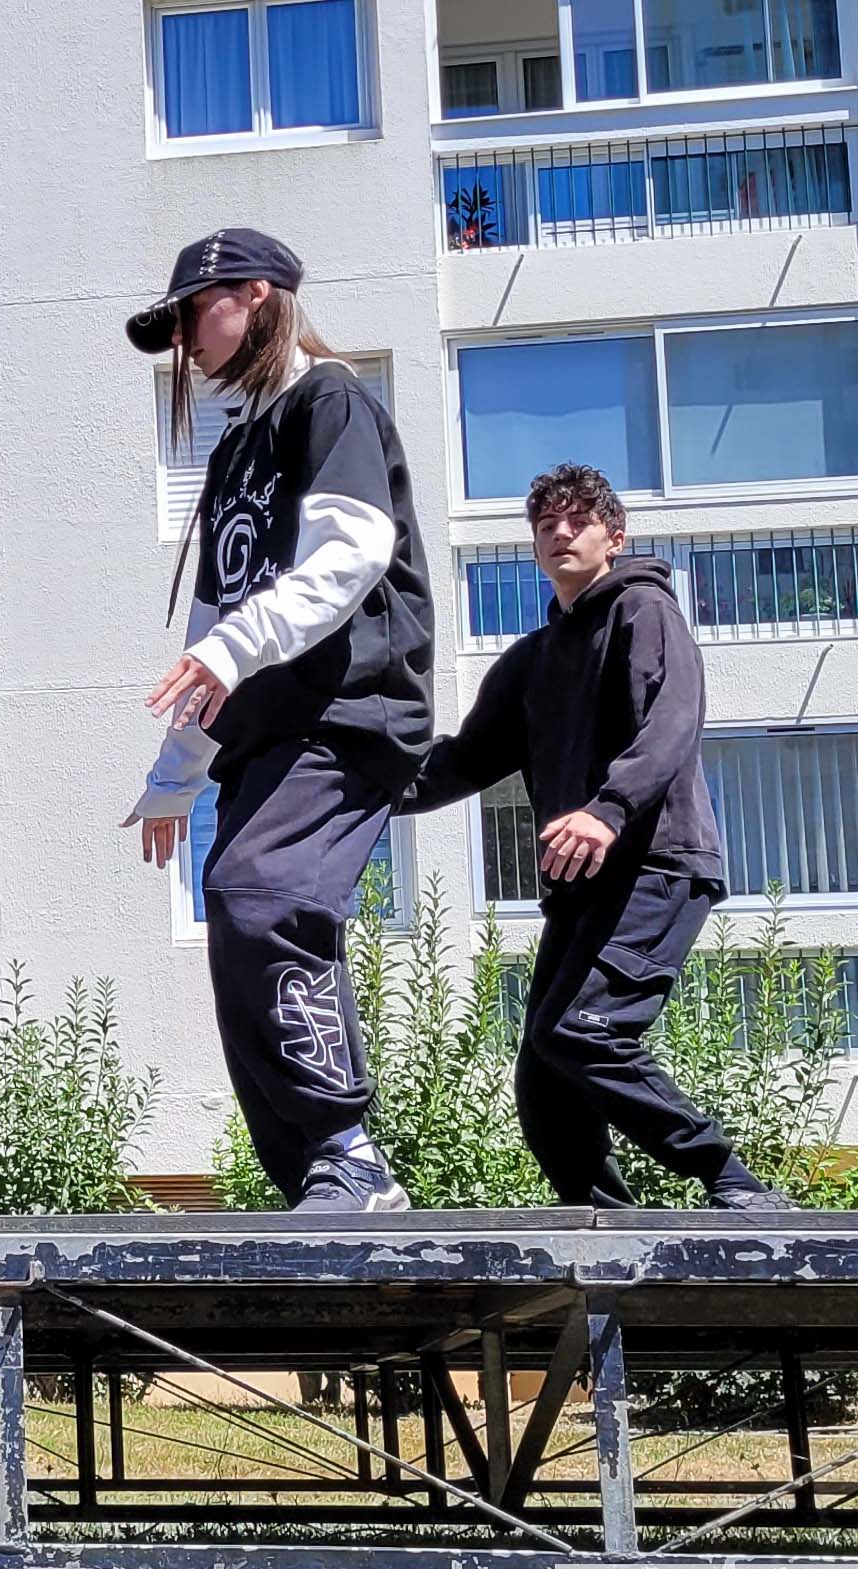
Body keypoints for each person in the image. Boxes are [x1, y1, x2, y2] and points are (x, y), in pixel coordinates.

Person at [121, 229, 435, 1213]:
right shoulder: (232, 451)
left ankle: (346, 1154)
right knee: (234, 908)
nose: (180, 339)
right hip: (267, 731)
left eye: (188, 313)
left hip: (348, 710)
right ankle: (312, 1168)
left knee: (263, 895)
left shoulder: (326, 401)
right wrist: (174, 774)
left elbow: (350, 555)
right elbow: (208, 622)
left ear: (254, 296)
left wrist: (228, 650)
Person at [401, 464, 791, 1211]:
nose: (559, 532)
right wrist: (354, 796)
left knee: (584, 1032)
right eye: (545, 524)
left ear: (615, 535)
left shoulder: (645, 611)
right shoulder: (531, 662)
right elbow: (462, 759)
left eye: (576, 520)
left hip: (659, 862)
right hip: (584, 889)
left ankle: (730, 1179)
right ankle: (612, 1228)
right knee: (543, 1075)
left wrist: (607, 809)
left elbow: (671, 721)